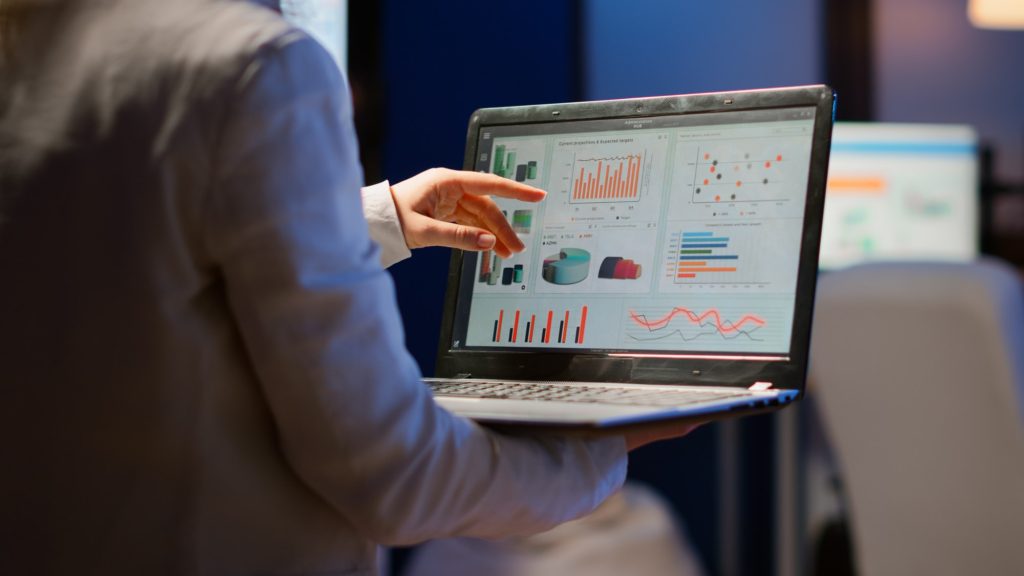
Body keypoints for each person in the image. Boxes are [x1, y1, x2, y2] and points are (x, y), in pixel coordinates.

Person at [0, 1, 698, 574]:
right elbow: (395, 476)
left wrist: (377, 219)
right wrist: (599, 451)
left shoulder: (31, 39)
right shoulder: (250, 63)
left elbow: (145, 264)